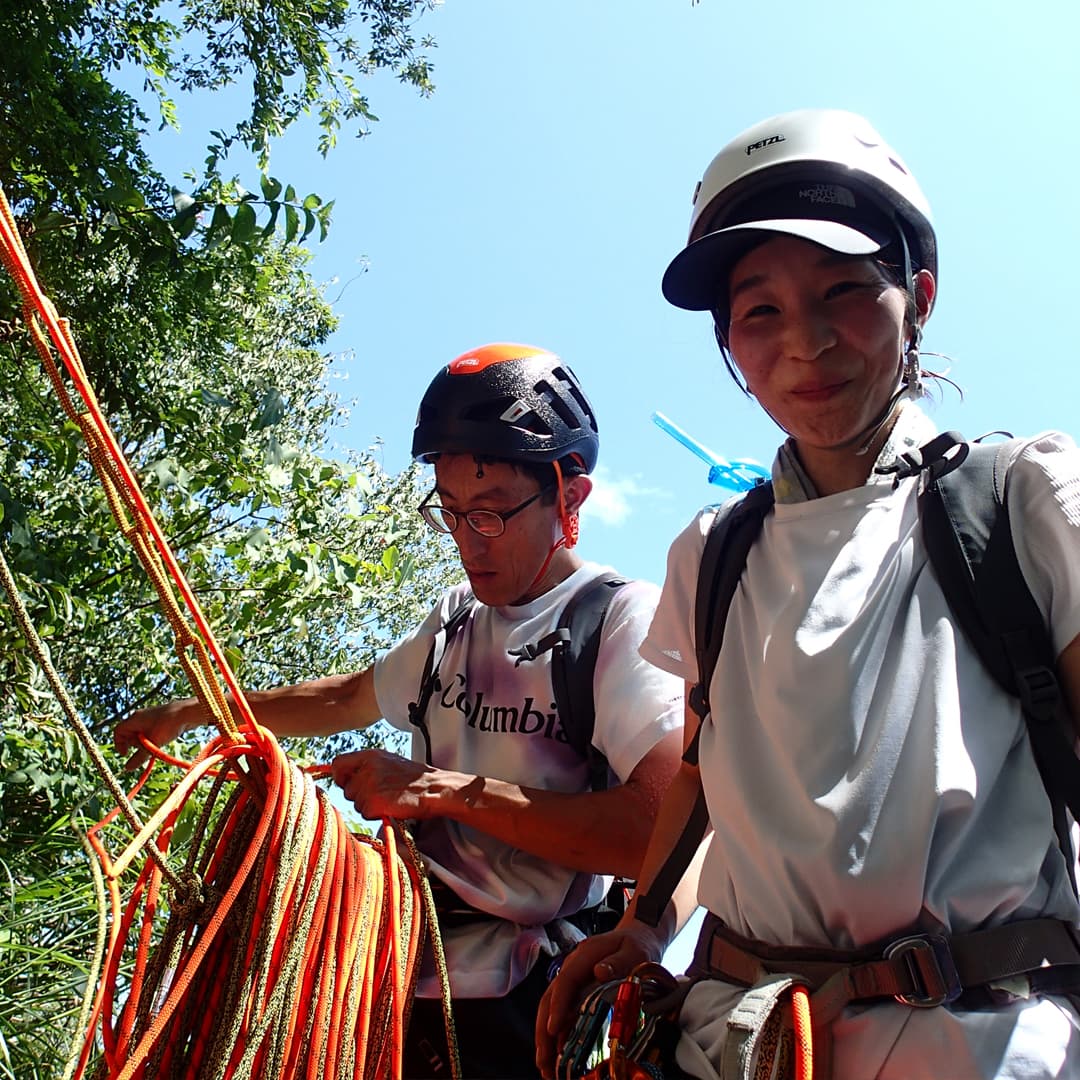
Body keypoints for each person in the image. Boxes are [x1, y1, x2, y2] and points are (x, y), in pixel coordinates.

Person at [537, 110, 1080, 1079]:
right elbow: (705, 766)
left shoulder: (1021, 495)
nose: (807, 340)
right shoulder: (716, 550)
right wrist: (643, 922)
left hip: (978, 1042)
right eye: (760, 312)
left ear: (918, 298)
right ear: (729, 350)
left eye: (846, 290)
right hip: (728, 1039)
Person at [116, 341, 683, 1080]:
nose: (465, 541)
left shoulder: (616, 622)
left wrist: (439, 791)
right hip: (393, 986)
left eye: (490, 514)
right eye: (449, 512)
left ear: (569, 497)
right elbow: (346, 697)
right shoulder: (455, 622)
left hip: (528, 1011)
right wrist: (193, 712)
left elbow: (654, 833)